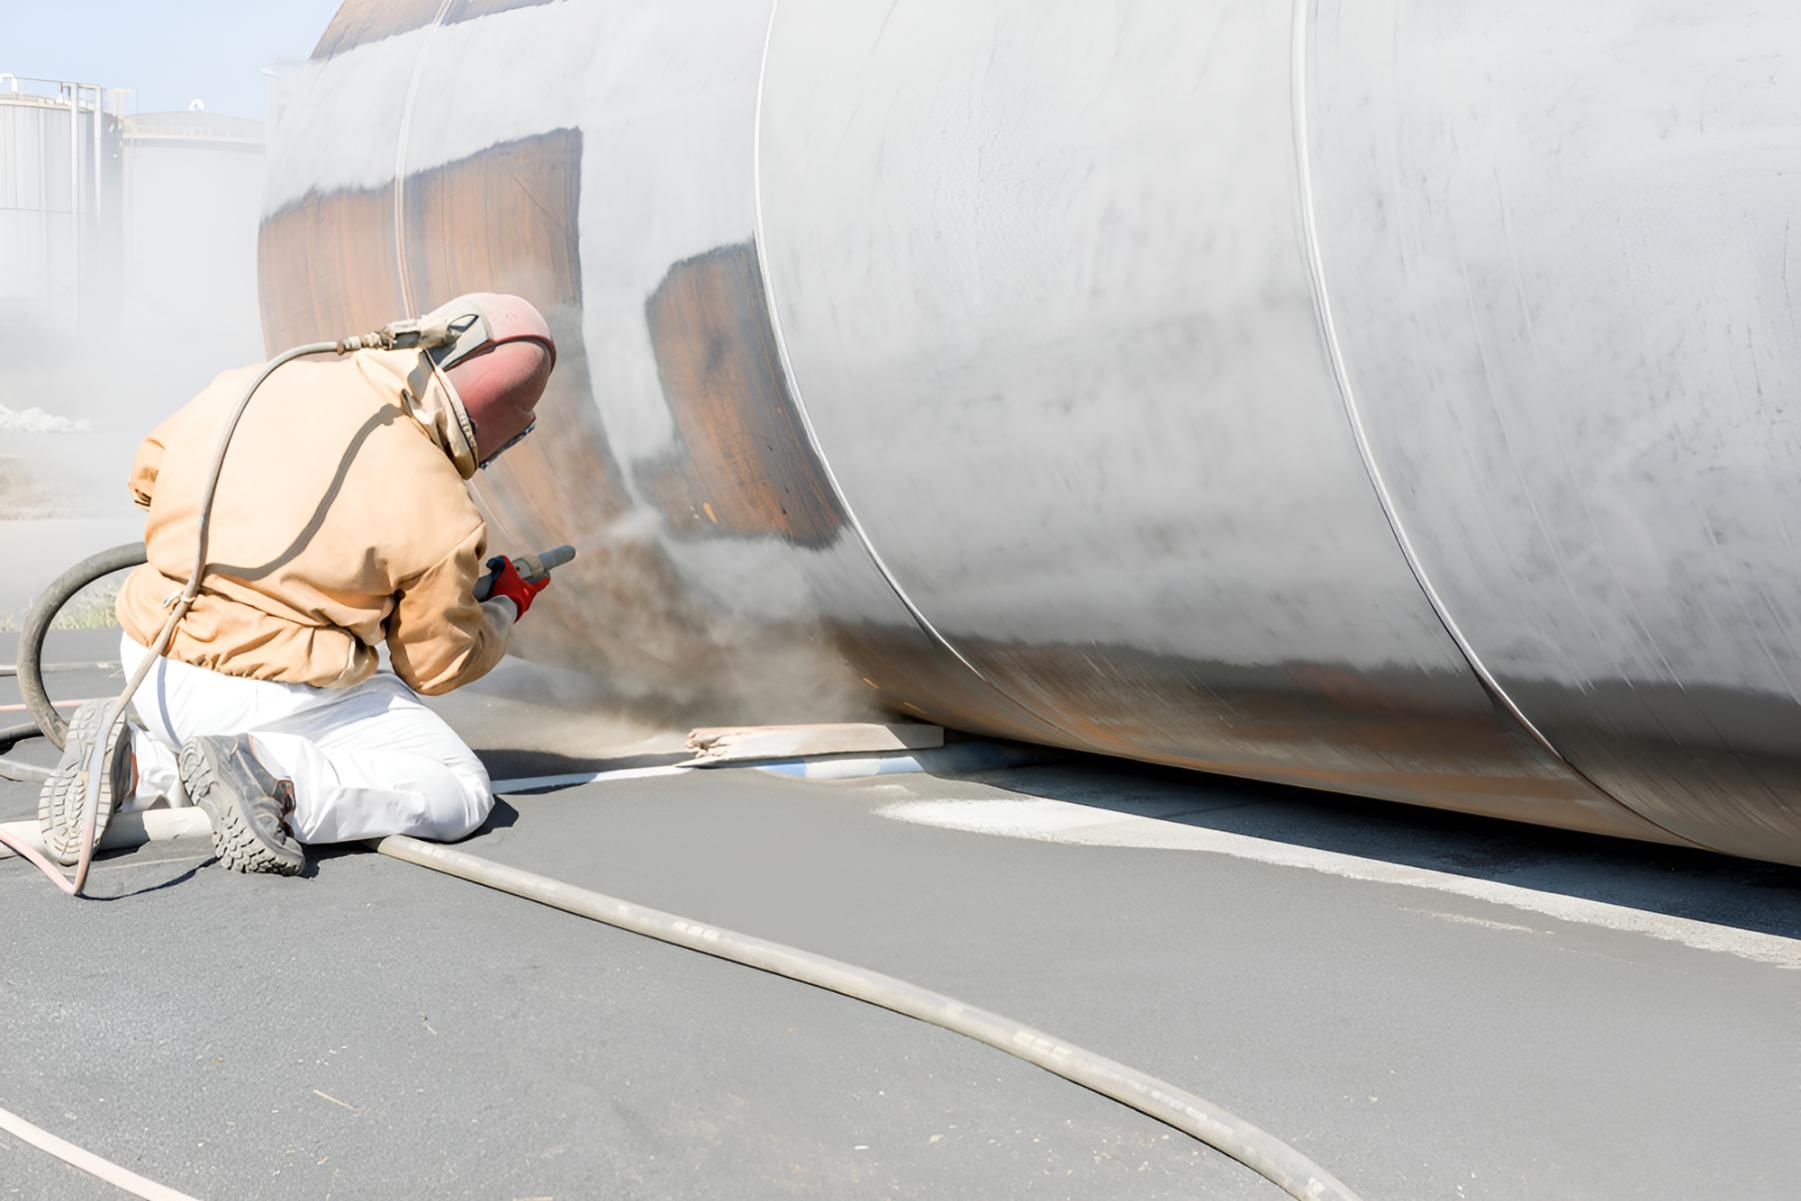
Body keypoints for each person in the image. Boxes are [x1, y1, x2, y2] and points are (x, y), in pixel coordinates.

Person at [36, 293, 558, 876]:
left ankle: (140, 765)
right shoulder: (440, 506)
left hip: (148, 667)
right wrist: (504, 608)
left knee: (208, 734)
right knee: (457, 788)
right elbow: (435, 666)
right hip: (259, 699)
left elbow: (147, 476)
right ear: (503, 422)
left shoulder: (254, 381)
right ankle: (272, 774)